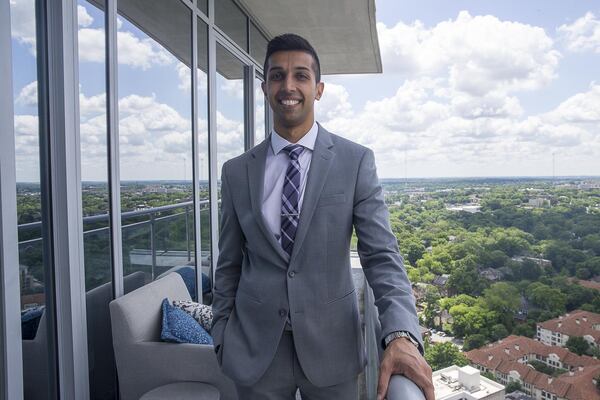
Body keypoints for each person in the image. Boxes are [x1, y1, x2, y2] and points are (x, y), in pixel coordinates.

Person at [211, 33, 434, 400]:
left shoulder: (355, 161)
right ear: (264, 86)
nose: (289, 85)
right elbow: (229, 262)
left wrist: (402, 334)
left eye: (301, 75)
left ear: (318, 89)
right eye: (278, 75)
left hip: (333, 348)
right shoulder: (236, 172)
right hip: (254, 352)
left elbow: (381, 256)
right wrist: (221, 332)